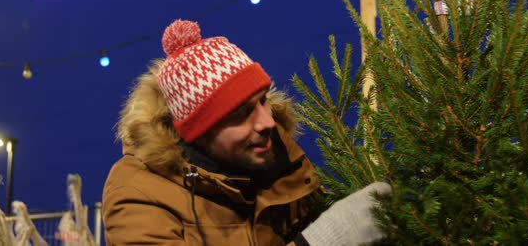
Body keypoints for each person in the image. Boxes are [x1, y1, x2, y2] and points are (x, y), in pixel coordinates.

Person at [102, 19, 390, 245]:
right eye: (241, 114)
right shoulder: (137, 193)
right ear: (196, 131)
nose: (266, 122)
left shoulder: (276, 154)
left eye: (263, 101)